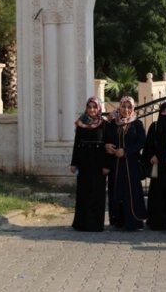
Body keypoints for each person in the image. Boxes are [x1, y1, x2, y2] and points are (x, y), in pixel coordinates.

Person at [105, 96, 147, 231]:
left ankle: (134, 222)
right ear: (119, 107)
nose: (126, 110)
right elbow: (105, 138)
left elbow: (141, 142)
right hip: (116, 164)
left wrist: (126, 151)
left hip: (131, 164)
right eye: (123, 106)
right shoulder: (112, 124)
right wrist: (107, 146)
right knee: (117, 190)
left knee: (132, 191)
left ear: (133, 108)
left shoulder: (137, 124)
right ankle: (119, 221)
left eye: (129, 107)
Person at [69, 97, 109, 231]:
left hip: (98, 164)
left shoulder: (104, 124)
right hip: (84, 163)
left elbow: (107, 146)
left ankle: (95, 224)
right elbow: (77, 145)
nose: (92, 110)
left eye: (94, 107)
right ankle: (81, 223)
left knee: (97, 194)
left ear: (98, 108)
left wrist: (106, 165)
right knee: (83, 193)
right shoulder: (81, 123)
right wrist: (74, 163)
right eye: (89, 107)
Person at [142, 102, 166, 230]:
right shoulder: (154, 126)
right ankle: (155, 222)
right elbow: (148, 146)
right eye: (164, 111)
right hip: (157, 166)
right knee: (156, 194)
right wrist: (151, 156)